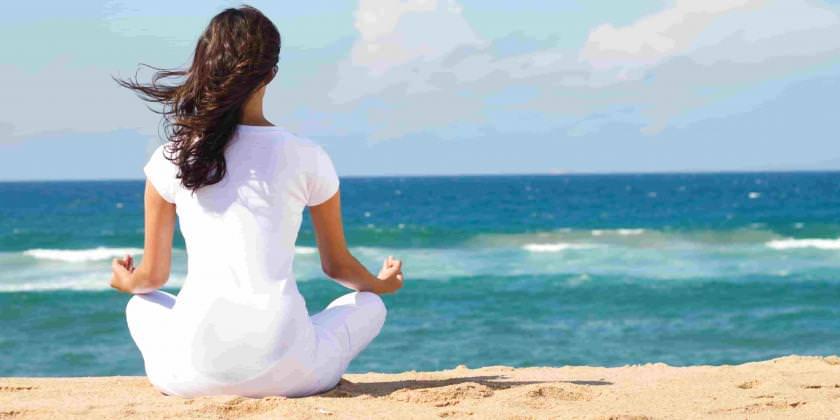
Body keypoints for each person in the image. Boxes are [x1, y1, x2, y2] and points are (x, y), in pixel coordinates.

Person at [108, 5, 404, 398]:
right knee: (368, 305)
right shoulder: (307, 155)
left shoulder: (170, 158)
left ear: (204, 66)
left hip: (189, 377)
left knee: (141, 304)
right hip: (291, 375)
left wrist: (127, 280)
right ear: (271, 74)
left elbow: (154, 278)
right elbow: (337, 266)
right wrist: (380, 285)